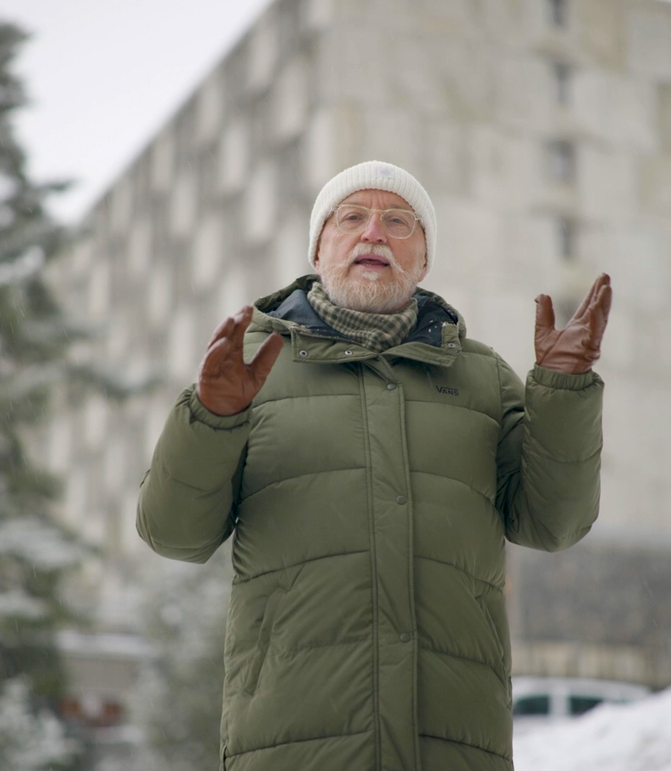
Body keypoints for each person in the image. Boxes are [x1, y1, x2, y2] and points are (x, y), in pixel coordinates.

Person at [136, 160, 612, 771]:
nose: (374, 234)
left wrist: (563, 391)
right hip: (294, 745)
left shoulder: (483, 378)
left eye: (398, 221)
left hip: (453, 745)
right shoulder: (247, 370)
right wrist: (210, 417)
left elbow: (554, 524)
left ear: (423, 259)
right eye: (352, 218)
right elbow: (174, 534)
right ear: (319, 248)